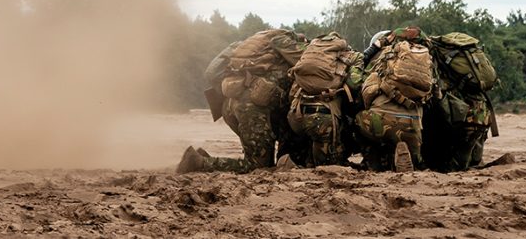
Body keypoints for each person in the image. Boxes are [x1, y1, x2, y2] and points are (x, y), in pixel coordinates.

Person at [177, 29, 307, 174]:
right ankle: (199, 163)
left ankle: (203, 158)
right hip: (252, 109)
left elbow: (212, 72)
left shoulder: (254, 47)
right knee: (256, 166)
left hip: (230, 105)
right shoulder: (285, 47)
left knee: (264, 158)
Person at [354, 27, 435, 172]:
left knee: (359, 122)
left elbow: (364, 92)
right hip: (413, 127)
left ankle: (373, 164)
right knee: (416, 162)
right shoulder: (426, 63)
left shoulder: (382, 59)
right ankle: (411, 159)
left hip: (381, 121)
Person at [286, 31, 365, 166]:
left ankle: (296, 163)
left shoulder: (308, 55)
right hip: (323, 116)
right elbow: (354, 83)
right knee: (331, 165)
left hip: (296, 113)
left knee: (307, 146)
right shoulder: (352, 56)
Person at [424, 32, 499, 171]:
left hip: (467, 120)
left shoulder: (446, 81)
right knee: (474, 158)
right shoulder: (471, 82)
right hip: (483, 116)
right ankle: (474, 166)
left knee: (457, 165)